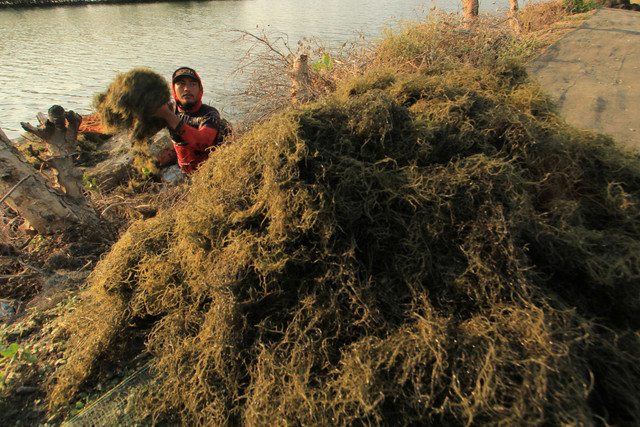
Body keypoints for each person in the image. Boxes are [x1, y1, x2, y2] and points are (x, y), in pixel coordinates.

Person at [154, 67, 221, 173]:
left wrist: (169, 117)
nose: (187, 89)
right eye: (181, 84)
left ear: (200, 89)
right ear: (173, 89)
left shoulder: (210, 114)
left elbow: (203, 141)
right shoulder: (170, 108)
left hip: (207, 172)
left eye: (193, 84)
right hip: (181, 166)